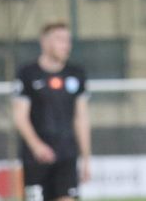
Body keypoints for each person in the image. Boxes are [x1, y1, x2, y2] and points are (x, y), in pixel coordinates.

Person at [12, 22, 91, 201]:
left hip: (67, 154)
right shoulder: (27, 73)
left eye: (68, 40)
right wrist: (37, 146)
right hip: (35, 158)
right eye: (60, 40)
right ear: (45, 42)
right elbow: (20, 116)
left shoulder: (76, 73)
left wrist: (86, 158)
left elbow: (81, 118)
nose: (66, 45)